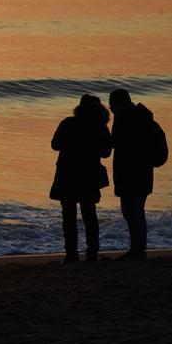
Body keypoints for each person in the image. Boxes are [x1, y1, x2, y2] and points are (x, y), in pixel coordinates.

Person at [49, 94, 112, 264]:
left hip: (67, 174)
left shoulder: (68, 123)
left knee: (68, 216)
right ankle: (92, 253)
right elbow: (106, 153)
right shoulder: (100, 127)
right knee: (89, 215)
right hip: (89, 175)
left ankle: (71, 254)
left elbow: (55, 145)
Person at [109, 89, 168, 261]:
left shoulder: (125, 119)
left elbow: (116, 142)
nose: (110, 108)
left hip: (130, 173)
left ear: (118, 104)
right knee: (135, 211)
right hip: (143, 173)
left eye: (112, 104)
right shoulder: (141, 117)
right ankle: (138, 248)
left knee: (131, 211)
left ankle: (137, 250)